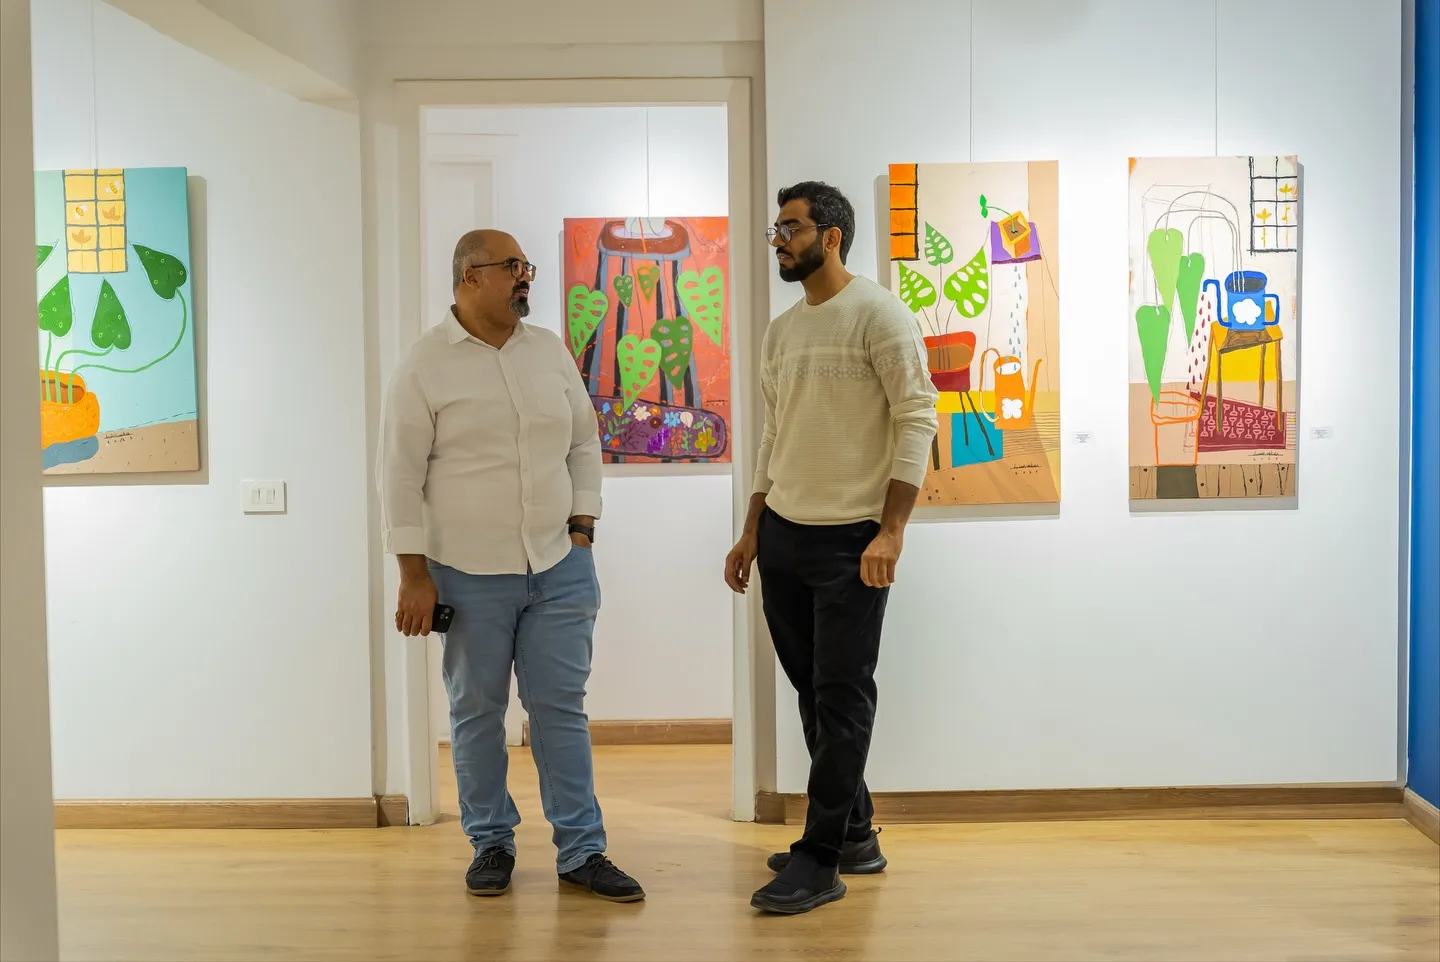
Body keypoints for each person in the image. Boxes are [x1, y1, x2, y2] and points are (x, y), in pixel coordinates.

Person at [378, 229, 644, 903]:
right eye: (512, 267)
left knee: (560, 710)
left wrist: (583, 526)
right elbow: (399, 476)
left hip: (559, 565)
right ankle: (491, 841)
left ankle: (582, 850)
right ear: (470, 277)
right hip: (465, 572)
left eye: (527, 267)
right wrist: (413, 574)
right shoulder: (424, 365)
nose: (526, 277)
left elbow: (583, 442)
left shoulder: (548, 351)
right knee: (477, 711)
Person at [726, 183, 938, 915]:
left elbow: (918, 418)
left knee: (843, 696)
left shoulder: (879, 314)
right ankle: (852, 833)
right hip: (784, 534)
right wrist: (752, 528)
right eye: (776, 229)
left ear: (832, 236)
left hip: (852, 539)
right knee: (814, 693)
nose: (779, 241)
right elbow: (773, 434)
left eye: (790, 228)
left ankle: (818, 860)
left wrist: (892, 530)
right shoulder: (782, 331)